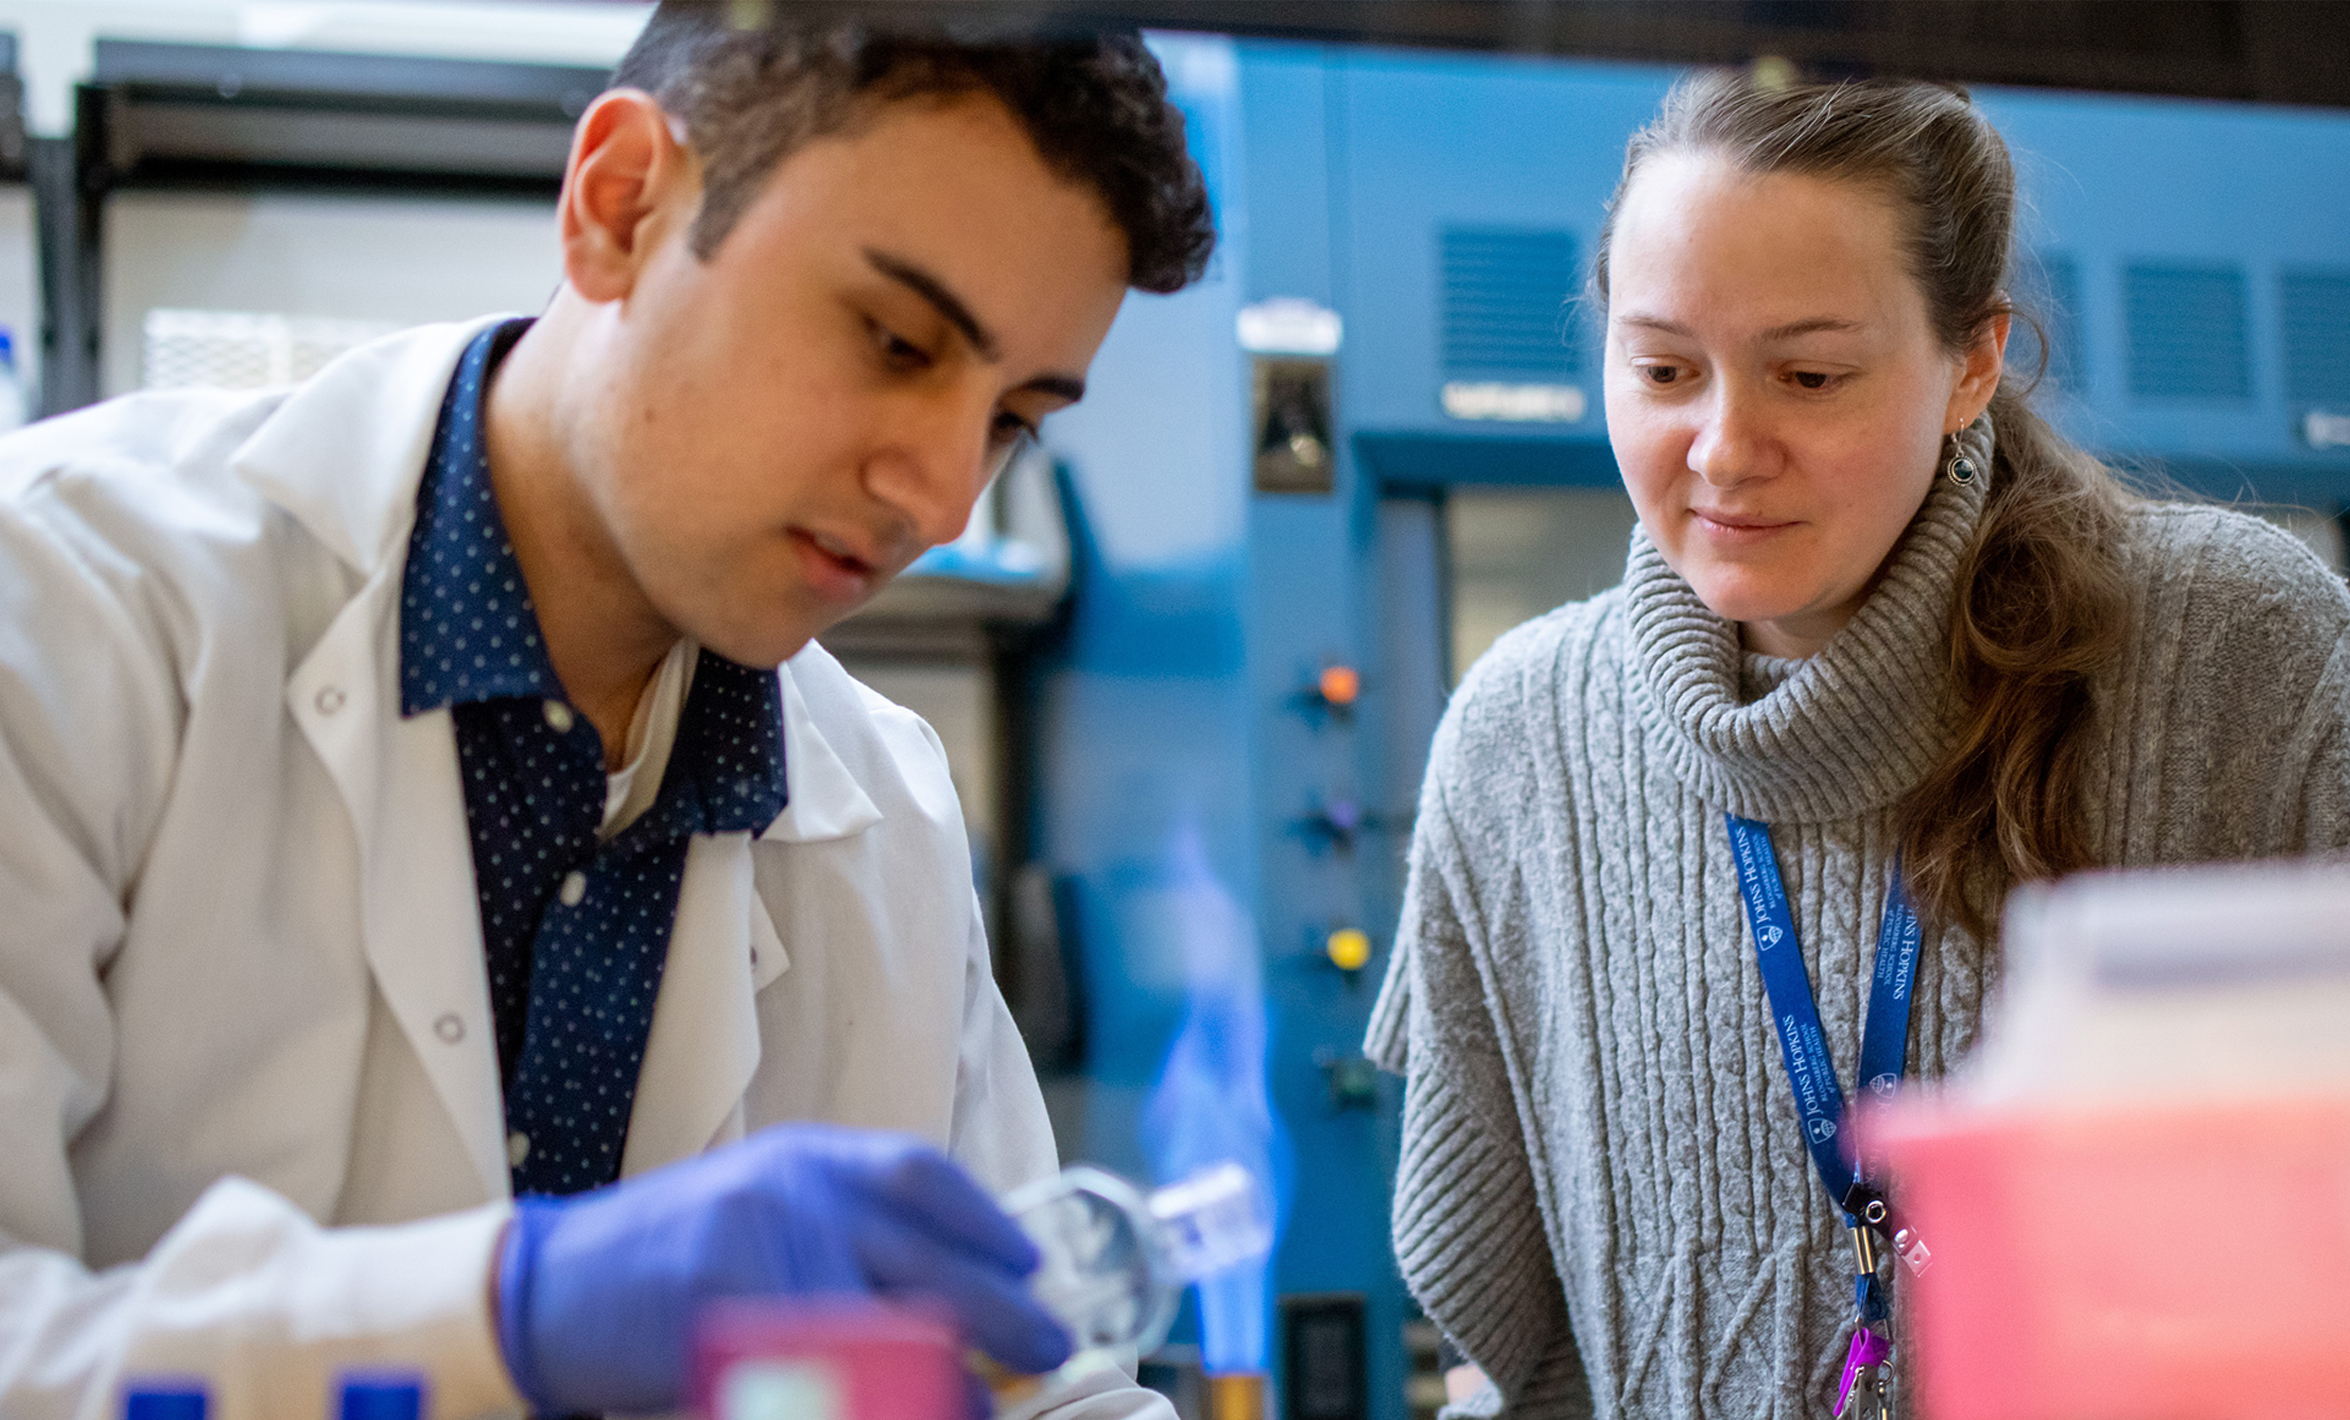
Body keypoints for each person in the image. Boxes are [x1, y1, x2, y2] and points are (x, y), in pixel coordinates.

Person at [0, 4, 1213, 1417]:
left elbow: (1024, 1386)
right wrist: (511, 1318)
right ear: (621, 206)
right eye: (892, 341)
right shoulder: (70, 604)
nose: (941, 496)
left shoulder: (879, 801)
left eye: (1012, 416)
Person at [1367, 71, 2350, 1419]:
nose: (1720, 449)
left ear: (1973, 363)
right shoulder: (1517, 734)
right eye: (1660, 369)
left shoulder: (2231, 648)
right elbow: (1509, 1342)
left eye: (1808, 375)